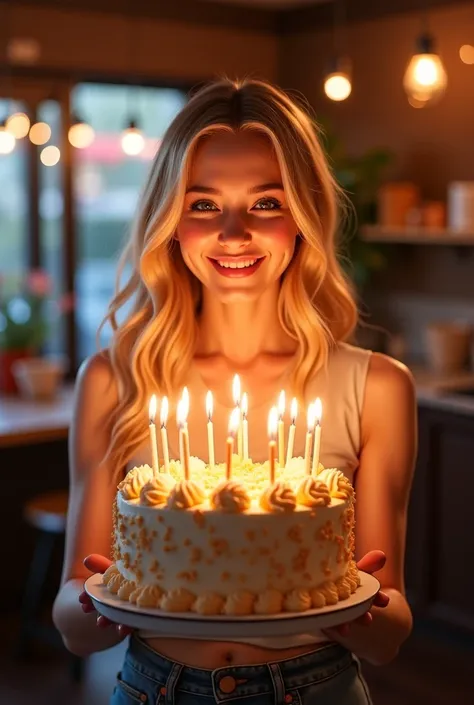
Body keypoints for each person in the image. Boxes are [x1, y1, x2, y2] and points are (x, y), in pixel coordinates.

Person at [53, 77, 416, 705]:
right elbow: (75, 625)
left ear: (303, 216)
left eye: (267, 203)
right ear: (168, 220)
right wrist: (95, 607)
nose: (233, 231)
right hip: (153, 689)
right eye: (202, 204)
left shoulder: (376, 386)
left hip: (315, 688)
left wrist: (358, 612)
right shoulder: (115, 380)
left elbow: (388, 636)